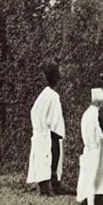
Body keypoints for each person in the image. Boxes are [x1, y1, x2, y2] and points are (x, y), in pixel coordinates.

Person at [26, 60, 68, 196]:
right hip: (47, 133)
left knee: (45, 160)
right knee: (50, 157)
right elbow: (55, 120)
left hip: (41, 132)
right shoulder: (52, 96)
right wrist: (58, 133)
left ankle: (54, 184)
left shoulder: (44, 95)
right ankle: (46, 188)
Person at [76, 88, 103, 205]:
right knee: (92, 177)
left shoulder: (87, 114)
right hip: (94, 149)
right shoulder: (94, 115)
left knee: (88, 176)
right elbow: (98, 133)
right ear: (100, 103)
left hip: (88, 148)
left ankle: (89, 203)